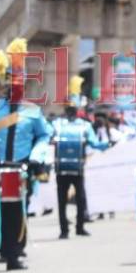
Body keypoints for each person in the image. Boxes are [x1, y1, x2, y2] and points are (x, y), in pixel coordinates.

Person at [0, 38, 51, 272]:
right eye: (10, 84)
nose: (13, 88)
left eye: (18, 85)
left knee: (15, 213)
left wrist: (36, 157)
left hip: (20, 167)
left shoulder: (33, 111)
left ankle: (13, 255)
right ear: (4, 86)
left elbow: (44, 135)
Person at [52, 76, 108, 239]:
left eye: (73, 108)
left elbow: (94, 143)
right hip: (61, 168)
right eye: (68, 107)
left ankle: (80, 227)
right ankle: (64, 230)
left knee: (81, 198)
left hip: (78, 168)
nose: (70, 110)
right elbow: (47, 137)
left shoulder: (85, 125)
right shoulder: (57, 124)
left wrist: (108, 144)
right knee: (62, 200)